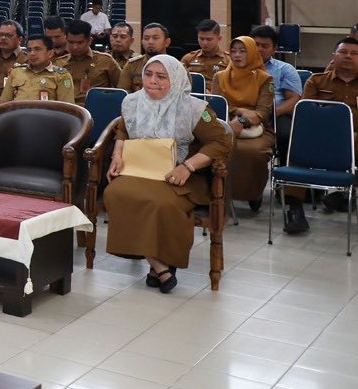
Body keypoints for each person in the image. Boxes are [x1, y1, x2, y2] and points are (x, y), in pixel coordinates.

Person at [102, 56, 228, 293]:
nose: (152, 81)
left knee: (161, 202)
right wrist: (117, 155)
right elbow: (122, 130)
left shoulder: (194, 109)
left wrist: (187, 166)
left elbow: (220, 142)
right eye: (148, 75)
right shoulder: (131, 102)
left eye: (161, 77)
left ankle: (159, 265)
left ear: (177, 79)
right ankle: (159, 263)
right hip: (140, 170)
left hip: (179, 175)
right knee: (115, 192)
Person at [296, 40, 358, 227]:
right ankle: (294, 210)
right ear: (334, 56)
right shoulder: (316, 81)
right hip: (321, 138)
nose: (348, 56)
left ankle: (341, 192)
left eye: (354, 53)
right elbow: (307, 115)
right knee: (297, 149)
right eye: (343, 51)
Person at [215, 35, 274, 217]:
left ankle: (252, 193)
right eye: (233, 51)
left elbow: (263, 112)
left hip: (257, 129)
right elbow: (215, 105)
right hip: (223, 124)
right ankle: (217, 193)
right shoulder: (220, 76)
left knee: (253, 152)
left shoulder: (265, 79)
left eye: (243, 51)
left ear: (253, 54)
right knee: (211, 148)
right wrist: (239, 110)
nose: (237, 55)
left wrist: (242, 120)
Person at [0, 35, 75, 102]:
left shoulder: (61, 76)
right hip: (19, 116)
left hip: (47, 117)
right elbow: (4, 103)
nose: (32, 53)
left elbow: (66, 108)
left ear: (50, 53)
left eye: (37, 49)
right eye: (29, 50)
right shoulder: (16, 72)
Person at [60, 19, 120, 103]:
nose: (75, 47)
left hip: (97, 109)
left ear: (90, 41)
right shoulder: (58, 64)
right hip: (67, 110)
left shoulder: (106, 61)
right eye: (71, 42)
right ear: (66, 40)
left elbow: (122, 88)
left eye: (80, 43)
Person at [118, 23, 171, 93]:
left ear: (167, 42)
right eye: (146, 38)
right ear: (142, 42)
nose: (150, 42)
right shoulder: (131, 65)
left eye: (155, 38)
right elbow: (123, 95)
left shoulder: (177, 67)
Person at [181, 19, 231, 88]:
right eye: (201, 39)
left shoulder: (228, 61)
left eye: (209, 39)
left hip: (218, 97)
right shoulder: (188, 59)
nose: (205, 43)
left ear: (219, 38)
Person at [0, 20, 27, 85]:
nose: (3, 38)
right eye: (1, 35)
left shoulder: (27, 60)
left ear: (20, 40)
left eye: (8, 35)